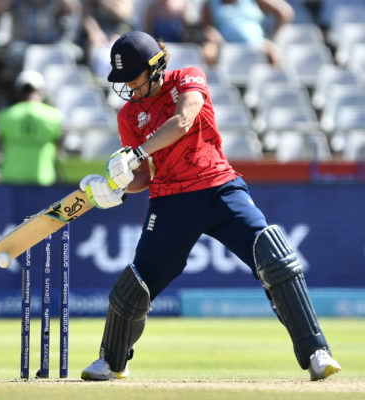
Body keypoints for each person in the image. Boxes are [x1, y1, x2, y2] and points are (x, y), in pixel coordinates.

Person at [77, 31, 341, 382]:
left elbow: (183, 120)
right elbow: (142, 175)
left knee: (275, 258)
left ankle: (316, 353)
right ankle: (111, 362)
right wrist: (118, 187)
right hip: (170, 200)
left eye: (133, 77)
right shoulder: (128, 116)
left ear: (155, 66)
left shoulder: (188, 78)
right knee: (136, 284)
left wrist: (139, 152)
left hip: (218, 186)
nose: (128, 86)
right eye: (122, 79)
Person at [0, 69, 63, 186]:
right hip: (43, 176)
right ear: (41, 90)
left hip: (11, 176)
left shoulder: (5, 115)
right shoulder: (54, 116)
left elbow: (0, 141)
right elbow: (59, 143)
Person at [200, 0, 295, 65]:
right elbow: (207, 28)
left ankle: (276, 84)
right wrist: (216, 37)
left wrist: (272, 36)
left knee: (273, 52)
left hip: (258, 44)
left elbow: (285, 12)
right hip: (223, 46)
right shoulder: (209, 4)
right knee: (208, 52)